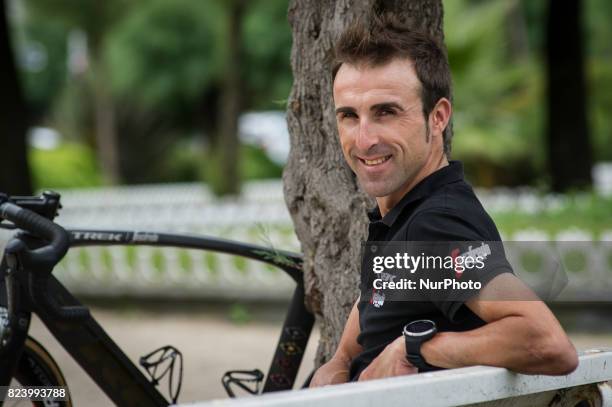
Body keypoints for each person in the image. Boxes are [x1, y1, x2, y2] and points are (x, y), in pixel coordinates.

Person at [310, 14, 578, 386]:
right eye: (349, 116)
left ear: (437, 117)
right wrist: (337, 363)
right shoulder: (403, 216)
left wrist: (414, 348)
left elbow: (548, 344)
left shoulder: (436, 223)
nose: (364, 138)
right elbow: (373, 310)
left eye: (386, 112)